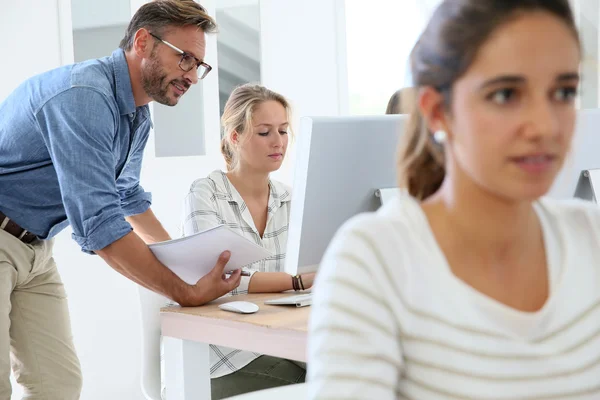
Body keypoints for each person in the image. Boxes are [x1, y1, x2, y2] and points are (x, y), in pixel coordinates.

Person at [307, 0, 600, 399]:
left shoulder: (592, 239)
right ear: (438, 111)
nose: (545, 125)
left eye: (563, 91)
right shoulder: (375, 259)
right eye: (505, 94)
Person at [0, 1, 242, 398]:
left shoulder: (136, 112)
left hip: (35, 249)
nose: (192, 77)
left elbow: (126, 195)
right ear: (143, 42)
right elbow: (100, 226)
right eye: (185, 59)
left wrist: (184, 261)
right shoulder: (84, 97)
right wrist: (184, 291)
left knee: (56, 386)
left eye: (198, 65)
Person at [181, 83, 314, 399]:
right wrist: (296, 281)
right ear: (235, 136)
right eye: (265, 132)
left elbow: (309, 270)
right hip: (223, 358)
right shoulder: (205, 194)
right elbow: (220, 279)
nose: (278, 142)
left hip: (283, 342)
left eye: (283, 131)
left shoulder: (289, 200)